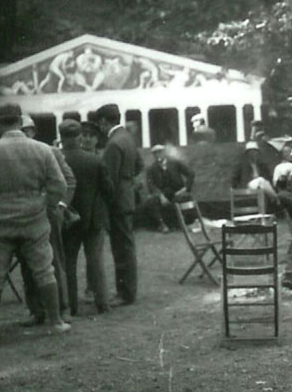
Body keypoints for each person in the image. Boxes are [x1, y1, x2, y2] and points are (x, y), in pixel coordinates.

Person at [0, 103, 70, 344]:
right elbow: (60, 186)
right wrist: (45, 203)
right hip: (34, 218)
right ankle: (56, 322)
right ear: (21, 121)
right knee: (44, 269)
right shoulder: (43, 150)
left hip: (0, 220)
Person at [18, 115, 77, 324]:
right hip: (23, 215)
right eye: (19, 130)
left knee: (53, 261)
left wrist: (60, 206)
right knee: (27, 263)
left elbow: (69, 181)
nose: (23, 135)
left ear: (33, 132)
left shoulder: (50, 152)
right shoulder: (10, 153)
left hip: (48, 215)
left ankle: (62, 308)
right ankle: (37, 311)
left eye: (26, 131)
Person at [58, 119, 114, 316]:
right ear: (79, 137)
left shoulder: (56, 159)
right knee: (96, 261)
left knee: (68, 264)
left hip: (66, 219)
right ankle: (103, 303)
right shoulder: (94, 160)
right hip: (93, 218)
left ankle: (70, 306)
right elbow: (108, 190)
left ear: (61, 137)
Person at [97, 103, 144, 306]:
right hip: (127, 198)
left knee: (121, 248)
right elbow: (140, 166)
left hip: (117, 201)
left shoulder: (113, 143)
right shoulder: (128, 138)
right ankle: (128, 292)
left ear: (104, 121)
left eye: (99, 123)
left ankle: (125, 294)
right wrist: (128, 181)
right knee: (126, 246)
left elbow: (109, 180)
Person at [143, 145, 195, 232]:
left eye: (160, 152)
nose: (158, 155)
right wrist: (160, 195)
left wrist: (185, 188)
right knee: (151, 202)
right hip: (163, 193)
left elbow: (191, 173)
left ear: (164, 153)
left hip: (178, 191)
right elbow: (151, 185)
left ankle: (182, 223)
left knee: (182, 199)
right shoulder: (151, 169)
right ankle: (162, 224)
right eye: (155, 153)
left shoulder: (175, 163)